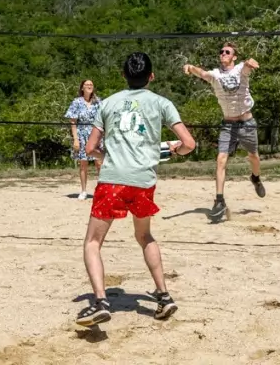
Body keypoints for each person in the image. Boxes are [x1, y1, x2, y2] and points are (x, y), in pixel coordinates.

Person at [75, 52, 196, 326]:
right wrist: (174, 151)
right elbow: (189, 144)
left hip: (112, 181)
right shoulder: (162, 103)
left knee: (93, 242)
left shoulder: (107, 103)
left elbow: (91, 148)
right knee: (145, 236)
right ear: (151, 76)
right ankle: (164, 296)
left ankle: (100, 302)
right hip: (143, 181)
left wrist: (108, 157)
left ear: (123, 76)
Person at [183, 42, 265, 222]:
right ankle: (219, 201)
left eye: (227, 52)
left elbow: (247, 66)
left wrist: (250, 62)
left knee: (253, 156)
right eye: (221, 52)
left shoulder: (240, 70)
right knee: (221, 159)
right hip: (229, 125)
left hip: (247, 123)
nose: (223, 54)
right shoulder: (216, 75)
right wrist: (190, 67)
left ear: (234, 57)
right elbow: (202, 73)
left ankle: (255, 178)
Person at [64, 79, 103, 200]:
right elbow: (73, 122)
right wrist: (76, 139)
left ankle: (102, 190)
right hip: (82, 134)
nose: (89, 86)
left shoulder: (98, 101)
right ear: (82, 88)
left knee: (99, 163)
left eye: (91, 84)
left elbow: (104, 117)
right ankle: (84, 191)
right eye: (87, 84)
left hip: (96, 134)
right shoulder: (76, 102)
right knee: (83, 164)